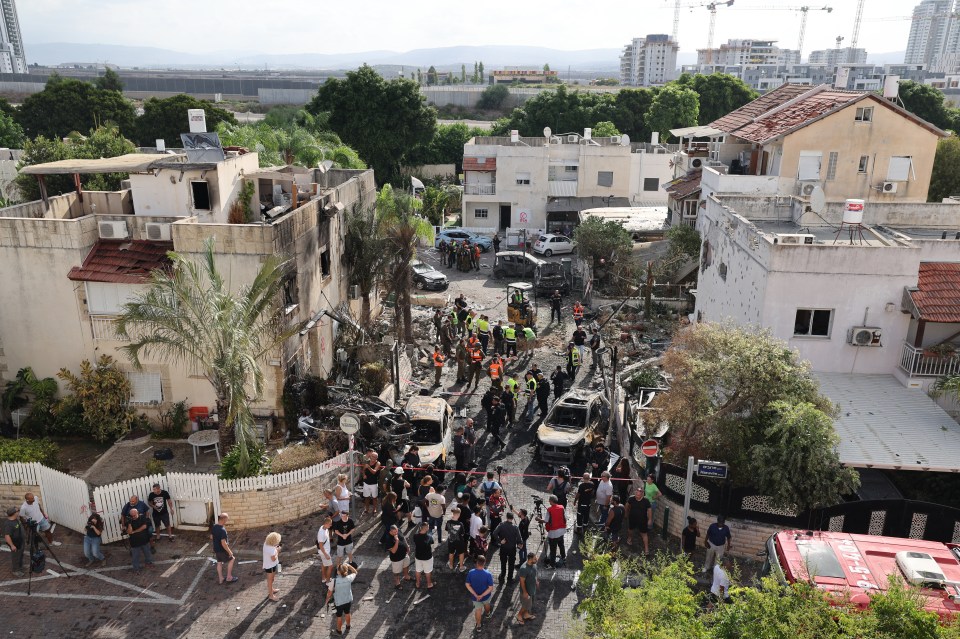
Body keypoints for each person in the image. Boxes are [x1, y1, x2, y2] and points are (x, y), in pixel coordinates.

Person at [466, 555, 495, 631]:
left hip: (475, 598)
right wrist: (482, 595)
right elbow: (490, 588)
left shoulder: (471, 573)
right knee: (487, 604)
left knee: (478, 610)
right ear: (484, 563)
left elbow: (467, 585)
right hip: (486, 596)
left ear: (477, 563)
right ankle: (488, 614)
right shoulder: (488, 574)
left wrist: (476, 595)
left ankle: (478, 625)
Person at [494, 511, 523, 584]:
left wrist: (500, 541)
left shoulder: (501, 525)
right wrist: (520, 544)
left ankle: (502, 576)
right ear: (513, 518)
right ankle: (509, 579)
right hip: (512, 549)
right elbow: (519, 539)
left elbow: (494, 533)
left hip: (503, 547)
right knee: (511, 564)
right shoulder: (515, 527)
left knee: (503, 563)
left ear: (506, 517)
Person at [331, 562, 358, 635]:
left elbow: (330, 592)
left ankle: (339, 630)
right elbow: (355, 572)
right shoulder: (349, 578)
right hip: (348, 599)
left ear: (338, 572)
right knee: (347, 613)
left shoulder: (334, 581)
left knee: (339, 616)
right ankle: (348, 626)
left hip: (339, 602)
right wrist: (349, 566)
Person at [542, 495, 567, 568]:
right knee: (561, 545)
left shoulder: (549, 509)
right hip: (561, 531)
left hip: (553, 533)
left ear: (552, 501)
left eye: (549, 500)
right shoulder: (562, 507)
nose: (549, 501)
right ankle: (563, 557)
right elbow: (565, 517)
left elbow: (546, 520)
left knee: (553, 550)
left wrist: (539, 519)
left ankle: (552, 565)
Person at [625, 487, 652, 553]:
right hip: (632, 518)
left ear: (642, 494)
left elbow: (649, 510)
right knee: (630, 529)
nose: (637, 495)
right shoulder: (631, 498)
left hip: (642, 520)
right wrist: (626, 513)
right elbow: (627, 505)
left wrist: (650, 519)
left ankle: (646, 548)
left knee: (644, 534)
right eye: (636, 493)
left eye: (639, 494)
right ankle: (630, 538)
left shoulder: (646, 500)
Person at [517, 553, 540, 625]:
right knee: (525, 605)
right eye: (535, 559)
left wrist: (536, 581)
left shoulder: (534, 565)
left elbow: (535, 574)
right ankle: (519, 615)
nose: (536, 560)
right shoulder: (523, 569)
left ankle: (526, 615)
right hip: (526, 591)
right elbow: (522, 582)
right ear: (530, 559)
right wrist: (524, 592)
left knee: (529, 604)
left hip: (532, 589)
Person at [413, 521, 435, 589]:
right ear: (426, 528)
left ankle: (418, 583)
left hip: (418, 556)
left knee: (418, 570)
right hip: (427, 557)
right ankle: (429, 584)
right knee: (428, 571)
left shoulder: (415, 536)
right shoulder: (429, 537)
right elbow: (432, 542)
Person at [3, 506, 24, 577]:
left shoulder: (15, 519)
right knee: (16, 557)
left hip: (19, 542)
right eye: (18, 511)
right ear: (14, 513)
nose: (19, 511)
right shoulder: (9, 524)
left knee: (20, 555)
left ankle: (20, 566)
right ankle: (15, 570)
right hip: (15, 544)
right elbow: (7, 536)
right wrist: (12, 545)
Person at [446, 507, 469, 572]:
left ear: (453, 514)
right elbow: (462, 533)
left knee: (451, 553)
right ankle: (461, 567)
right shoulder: (460, 524)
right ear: (459, 515)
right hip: (459, 541)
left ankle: (451, 565)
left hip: (451, 540)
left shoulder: (448, 522)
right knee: (461, 553)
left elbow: (447, 529)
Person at [361, 452, 382, 516]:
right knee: (366, 497)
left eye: (375, 457)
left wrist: (369, 467)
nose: (373, 458)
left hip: (374, 483)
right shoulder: (367, 462)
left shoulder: (378, 463)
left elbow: (374, 472)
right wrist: (364, 475)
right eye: (372, 456)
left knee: (374, 498)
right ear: (370, 456)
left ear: (377, 458)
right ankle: (366, 509)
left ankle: (374, 510)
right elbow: (363, 470)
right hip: (366, 483)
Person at [263, 531, 281, 602]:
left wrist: (275, 548)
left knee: (272, 579)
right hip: (270, 566)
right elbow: (273, 559)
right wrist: (278, 551)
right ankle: (271, 595)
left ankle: (272, 589)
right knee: (270, 580)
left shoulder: (266, 543)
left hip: (271, 565)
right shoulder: (271, 550)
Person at [317, 516, 334, 587]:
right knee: (330, 566)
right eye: (330, 524)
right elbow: (321, 545)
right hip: (324, 552)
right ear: (326, 524)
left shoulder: (323, 527)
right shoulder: (321, 533)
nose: (331, 525)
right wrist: (326, 554)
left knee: (324, 564)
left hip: (324, 551)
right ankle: (327, 581)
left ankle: (323, 578)